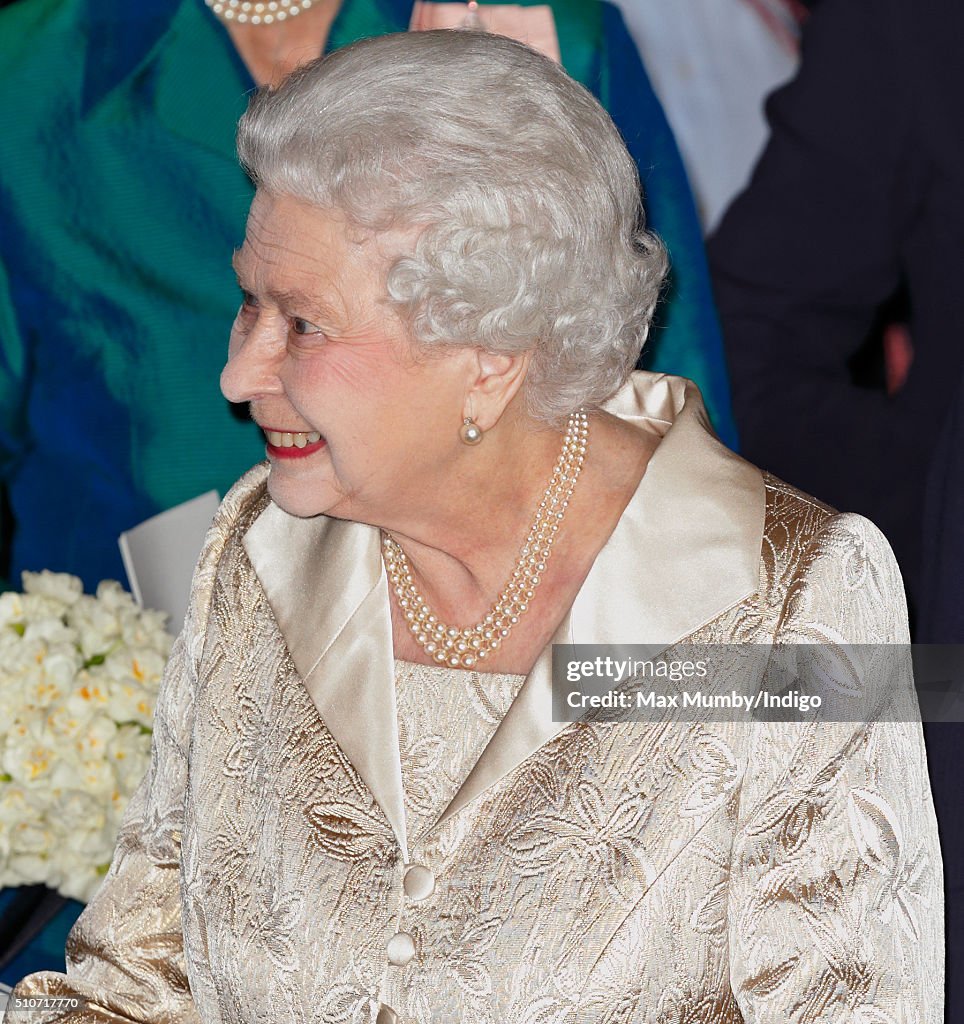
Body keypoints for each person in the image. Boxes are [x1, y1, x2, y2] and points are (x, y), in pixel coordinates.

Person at [6, 31, 941, 1022]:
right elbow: (138, 991)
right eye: (249, 304)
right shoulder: (261, 549)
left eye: (303, 323)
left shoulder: (790, 598)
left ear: (490, 354)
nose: (238, 376)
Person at [0, 0, 734, 596]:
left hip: (504, 621)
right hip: (129, 669)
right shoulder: (28, 74)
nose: (245, 375)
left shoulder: (533, 29)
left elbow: (663, 390)